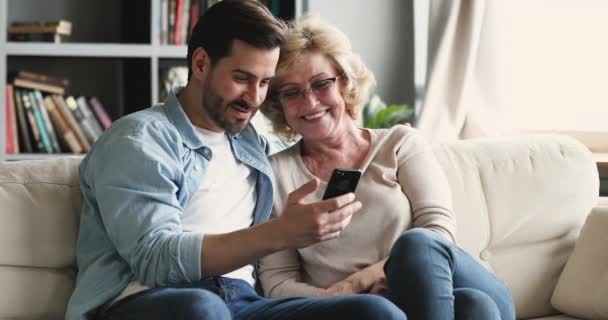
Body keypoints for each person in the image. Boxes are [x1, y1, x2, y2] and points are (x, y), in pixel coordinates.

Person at [65, 2, 407, 320]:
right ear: (200, 64)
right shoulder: (139, 139)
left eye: (265, 83)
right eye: (242, 78)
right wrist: (279, 232)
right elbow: (156, 259)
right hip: (151, 299)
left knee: (374, 312)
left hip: (243, 303)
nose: (254, 97)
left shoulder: (252, 143)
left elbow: (316, 136)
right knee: (204, 308)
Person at [258, 14, 517, 320]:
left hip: (436, 277)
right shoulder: (274, 174)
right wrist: (339, 297)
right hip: (370, 311)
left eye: (321, 84)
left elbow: (439, 230)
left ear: (344, 82)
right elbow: (277, 283)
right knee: (474, 306)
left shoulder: (399, 143)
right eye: (292, 92)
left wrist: (362, 280)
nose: (310, 102)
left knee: (420, 244)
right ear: (278, 104)